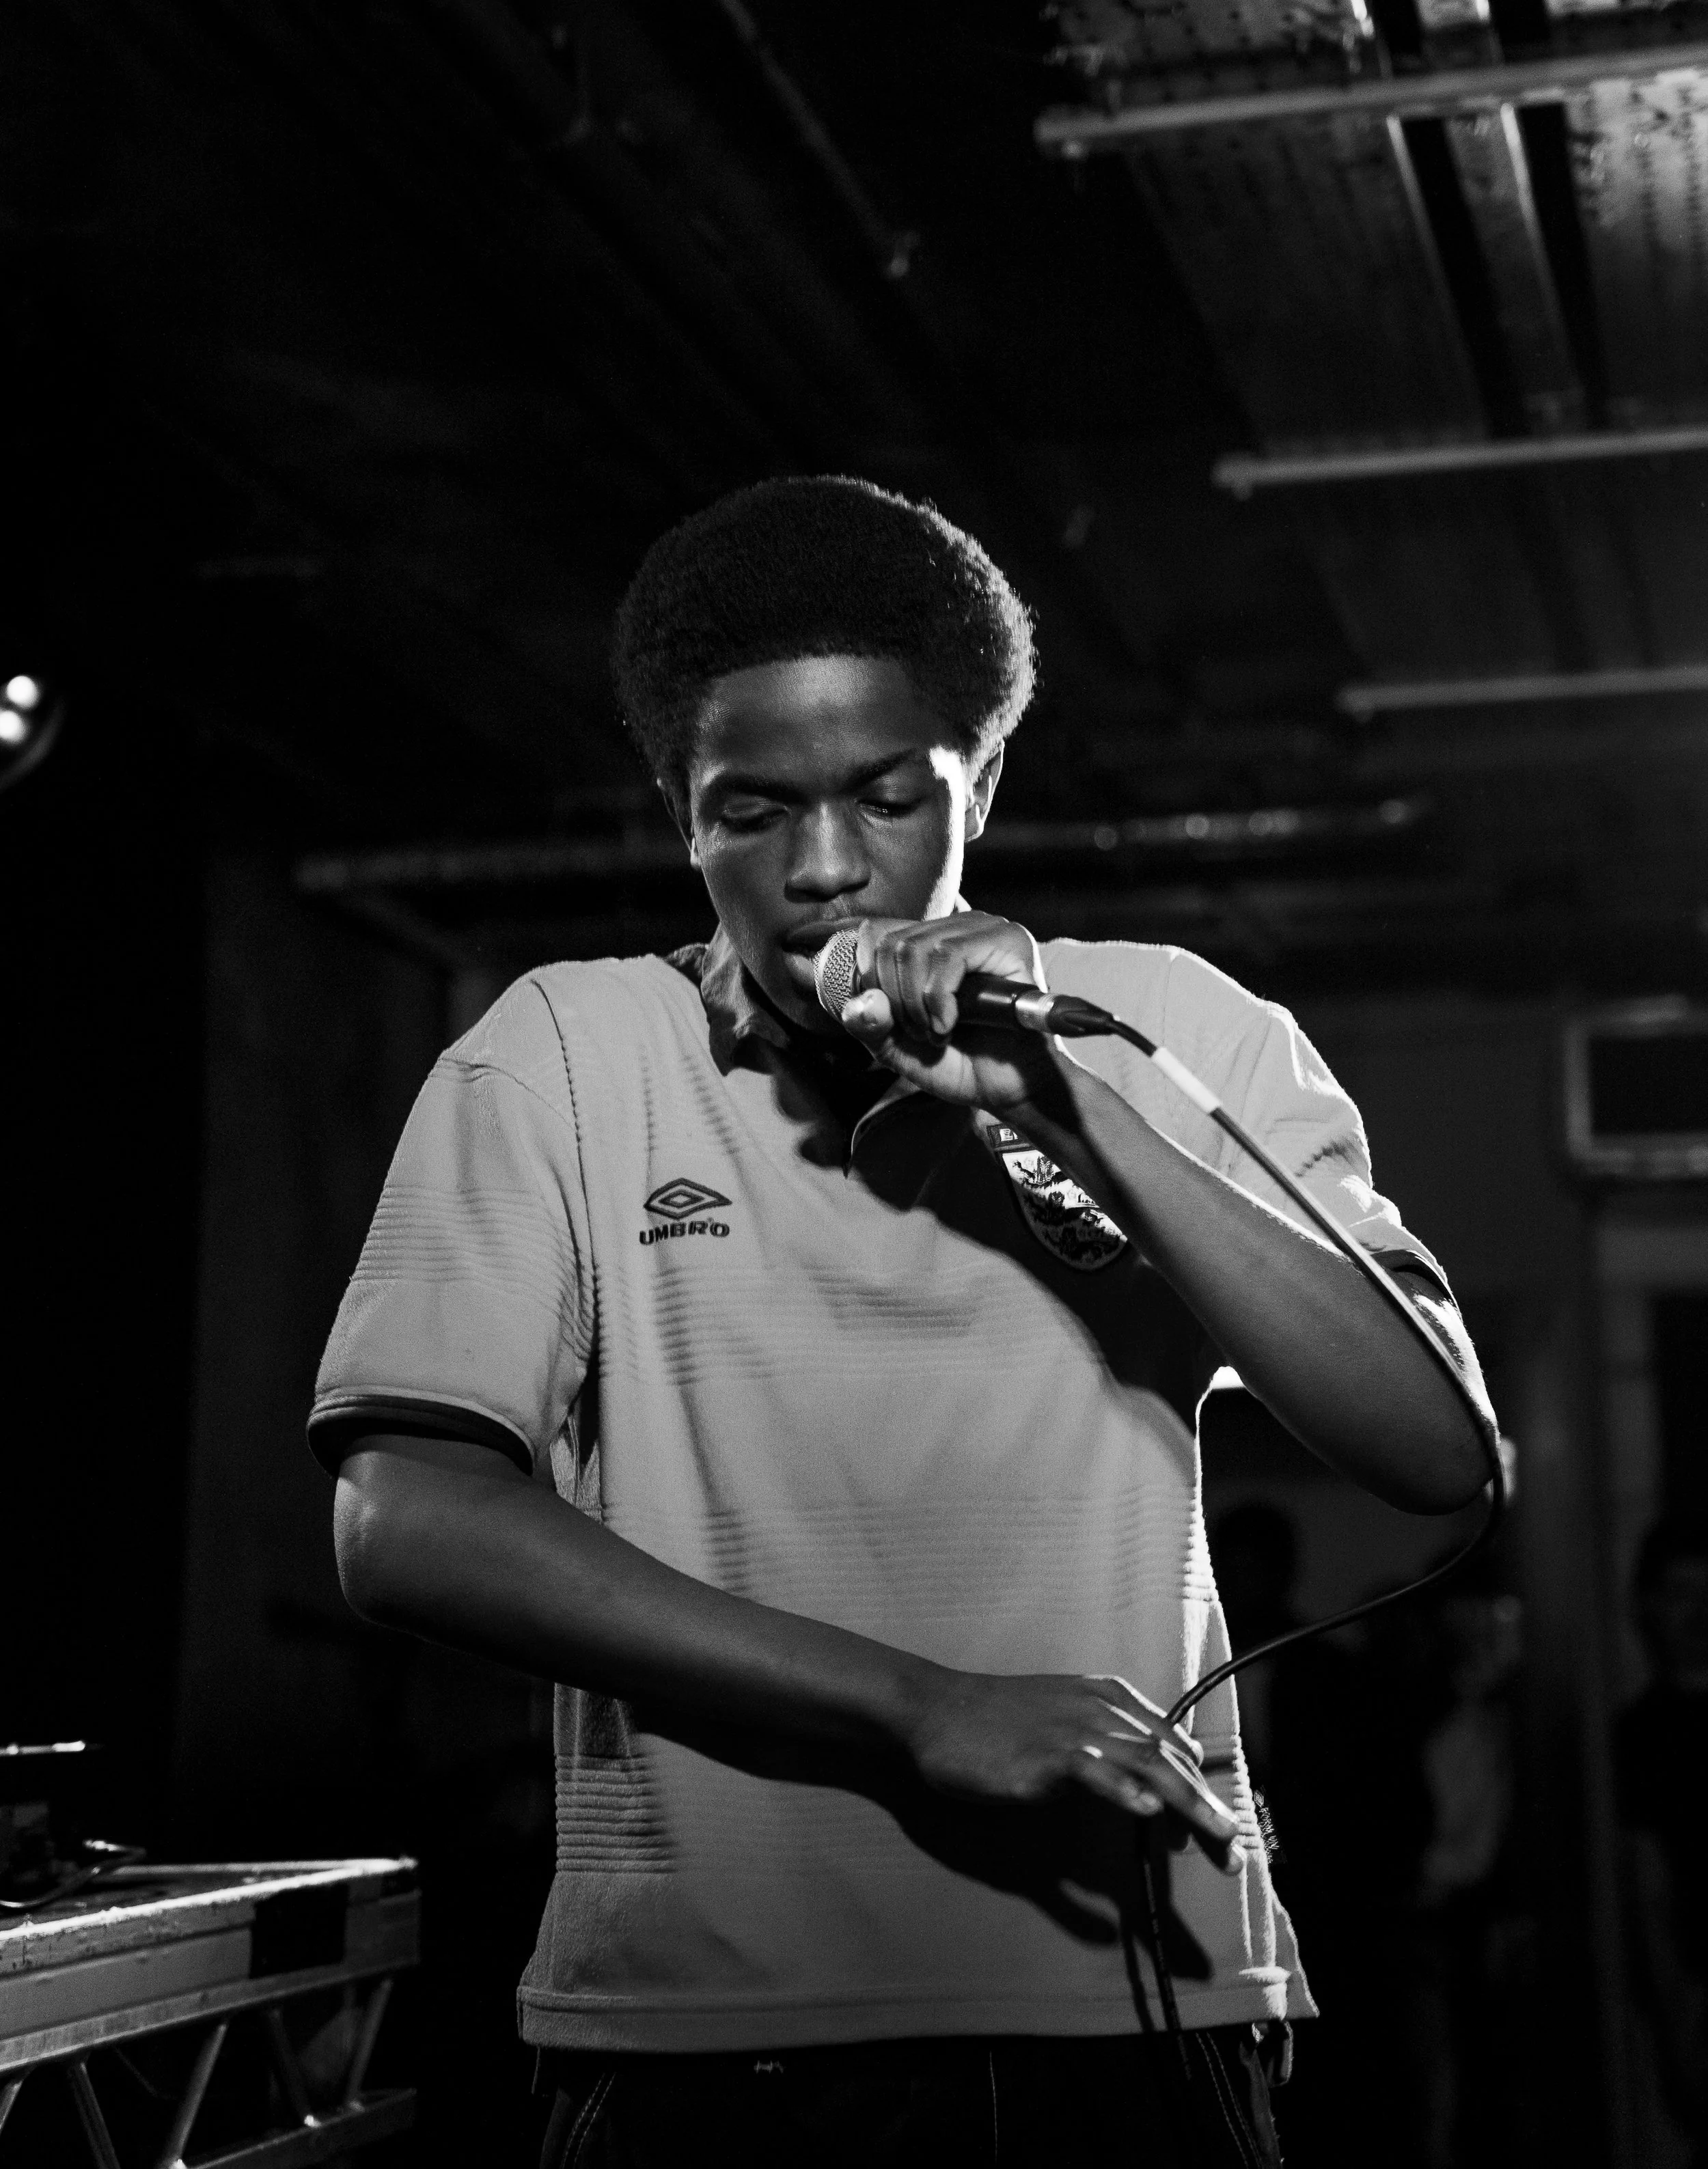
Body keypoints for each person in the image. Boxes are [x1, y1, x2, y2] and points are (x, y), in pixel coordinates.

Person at [312, 475, 1496, 2167]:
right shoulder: (564, 1051)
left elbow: (1432, 1447)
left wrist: (1064, 1104)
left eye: (884, 797)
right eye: (749, 811)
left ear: (981, 780)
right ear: (680, 814)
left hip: (1141, 2020)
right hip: (706, 2045)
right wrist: (915, 1704)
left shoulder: (1174, 1024)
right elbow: (400, 1519)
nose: (820, 867)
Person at [1617, 1520, 1708, 2163]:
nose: (1696, 1611)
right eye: (1680, 1592)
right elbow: (1648, 1883)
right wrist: (1677, 2013)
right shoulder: (1645, 1731)